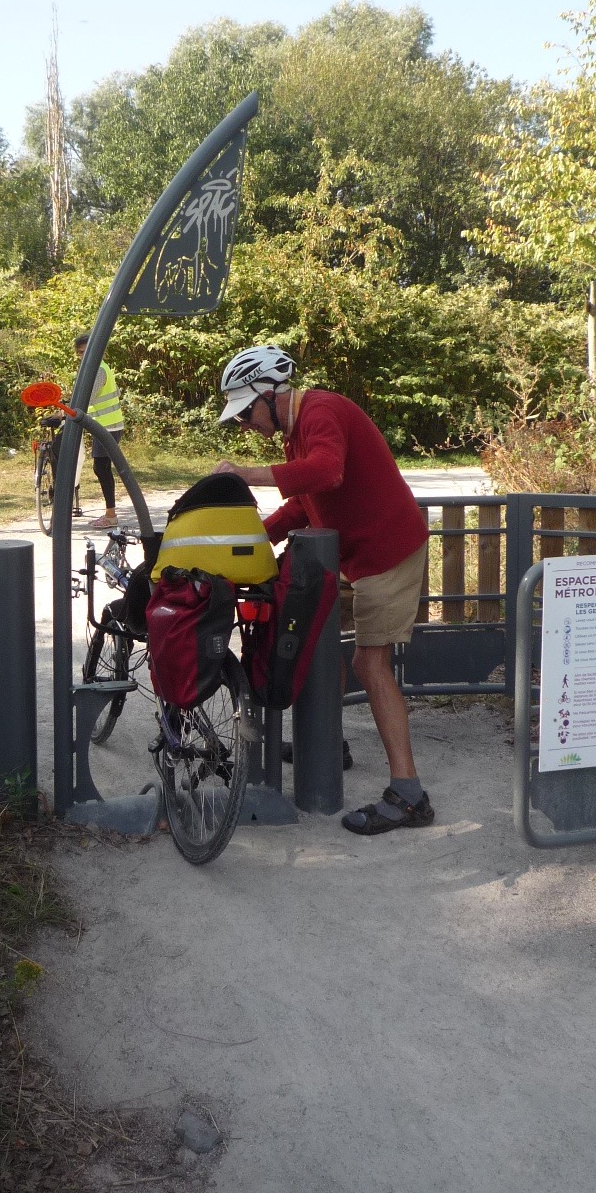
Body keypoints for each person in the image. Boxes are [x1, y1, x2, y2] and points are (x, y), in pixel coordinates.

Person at [214, 345, 435, 835]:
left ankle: (409, 794)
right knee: (318, 643)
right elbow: (306, 504)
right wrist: (253, 540)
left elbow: (326, 471)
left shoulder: (322, 411)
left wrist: (244, 475)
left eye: (246, 413)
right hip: (351, 556)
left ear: (269, 394)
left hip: (387, 551)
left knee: (369, 663)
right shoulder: (295, 435)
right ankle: (330, 744)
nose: (245, 426)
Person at [74, 332, 125, 530]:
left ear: (99, 351)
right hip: (107, 424)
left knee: (101, 468)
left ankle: (111, 515)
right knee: (102, 467)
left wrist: (65, 412)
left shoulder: (97, 370)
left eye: (86, 351)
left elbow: (86, 398)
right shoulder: (100, 367)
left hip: (107, 426)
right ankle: (110, 513)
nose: (83, 356)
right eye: (80, 353)